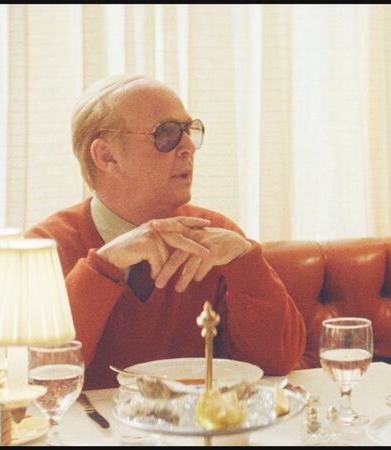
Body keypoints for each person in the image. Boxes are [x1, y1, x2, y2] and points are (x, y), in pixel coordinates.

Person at [27, 74, 306, 389]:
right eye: (167, 134)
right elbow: (38, 378)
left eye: (189, 131)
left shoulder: (216, 237)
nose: (189, 147)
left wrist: (246, 263)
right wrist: (105, 264)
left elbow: (278, 362)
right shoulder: (43, 248)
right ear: (107, 156)